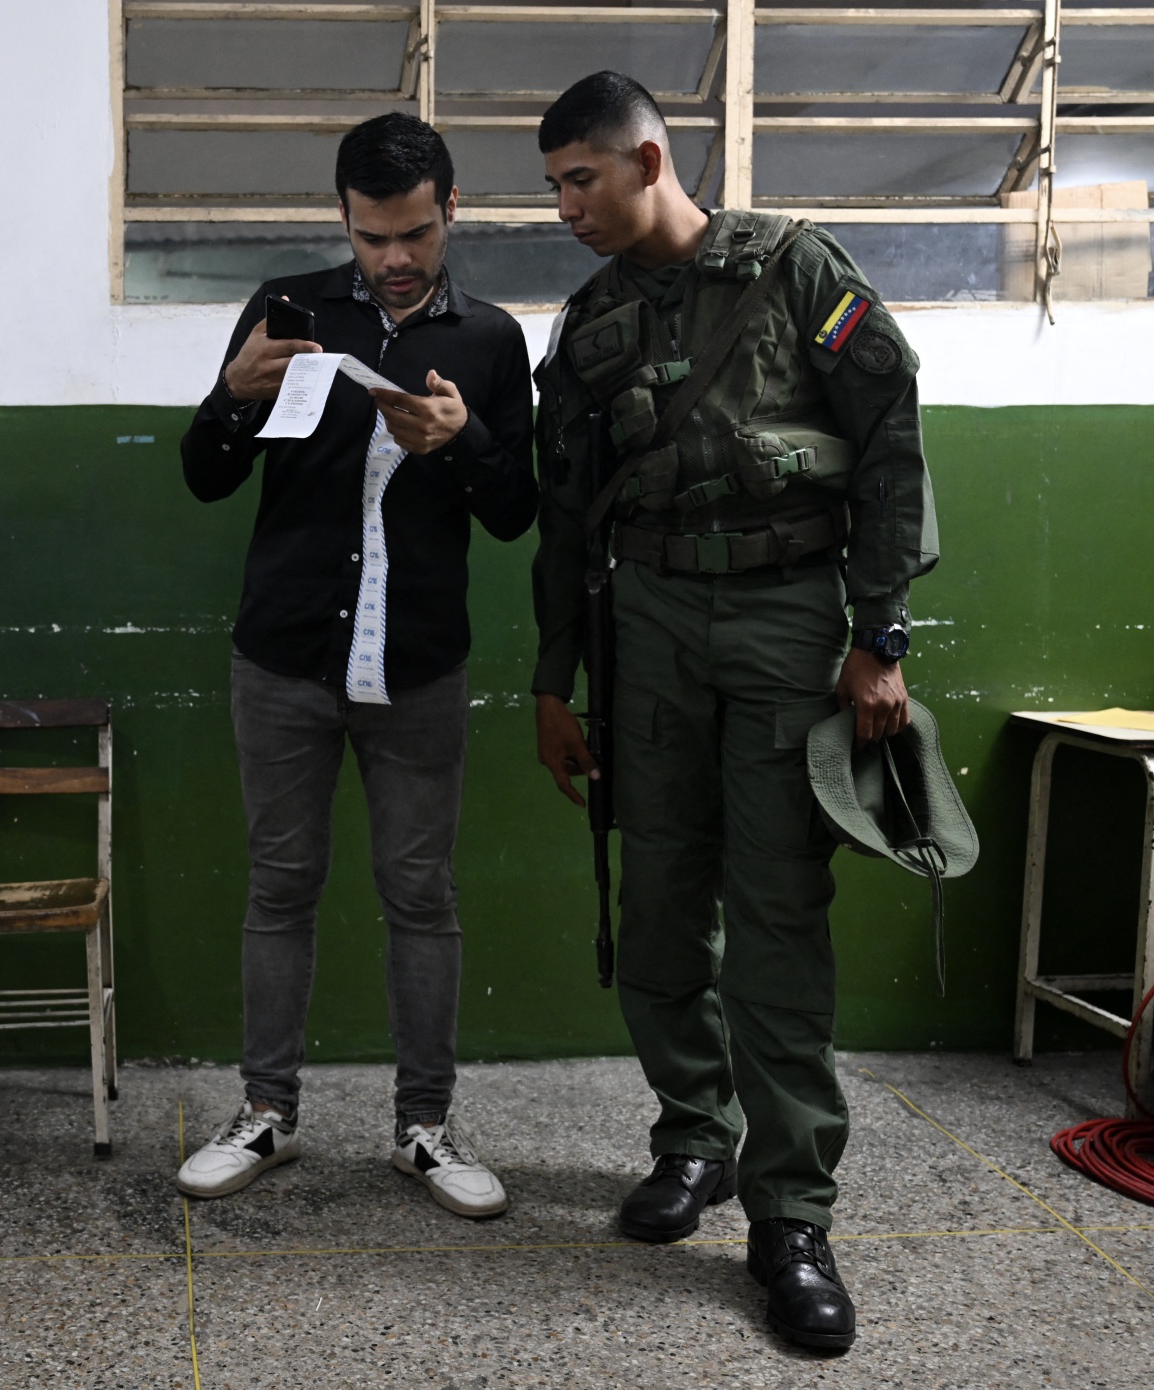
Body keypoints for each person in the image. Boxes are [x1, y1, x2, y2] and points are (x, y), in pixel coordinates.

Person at [529, 73, 938, 1350]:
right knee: (655, 908)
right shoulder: (588, 325)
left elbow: (887, 437)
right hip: (643, 634)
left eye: (577, 180)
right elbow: (559, 517)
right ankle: (692, 1137)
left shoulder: (796, 271)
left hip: (783, 628)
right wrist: (552, 679)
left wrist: (877, 636)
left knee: (773, 917)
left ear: (647, 159)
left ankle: (790, 1214)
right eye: (550, 186)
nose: (562, 208)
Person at [174, 113, 538, 1218]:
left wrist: (465, 441)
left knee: (419, 895)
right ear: (340, 219)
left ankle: (422, 1130)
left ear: (451, 212)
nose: (395, 259)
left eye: (417, 234)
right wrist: (232, 397)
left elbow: (518, 513)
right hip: (281, 656)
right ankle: (265, 1114)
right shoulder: (287, 311)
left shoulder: (488, 339)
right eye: (375, 236)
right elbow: (201, 479)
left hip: (418, 665)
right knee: (279, 886)